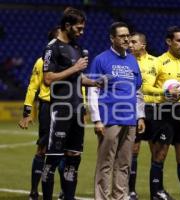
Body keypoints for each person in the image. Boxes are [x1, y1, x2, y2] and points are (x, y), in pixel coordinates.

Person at [41, 7, 98, 200]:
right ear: (67, 25)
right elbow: (48, 78)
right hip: (61, 110)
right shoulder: (52, 47)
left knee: (74, 158)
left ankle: (69, 197)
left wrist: (96, 81)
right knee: (53, 159)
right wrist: (74, 68)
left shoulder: (77, 48)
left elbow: (78, 78)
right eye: (79, 28)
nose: (81, 32)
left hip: (77, 110)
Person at [142, 26, 180, 200]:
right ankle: (156, 195)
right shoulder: (158, 62)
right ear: (169, 41)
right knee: (159, 155)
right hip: (164, 111)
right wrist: (164, 93)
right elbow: (146, 87)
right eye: (179, 40)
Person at [87, 21, 145, 200]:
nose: (126, 39)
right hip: (109, 119)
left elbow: (137, 91)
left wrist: (140, 116)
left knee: (124, 164)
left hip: (130, 120)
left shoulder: (132, 60)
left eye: (128, 35)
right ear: (112, 38)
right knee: (105, 163)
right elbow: (92, 90)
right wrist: (96, 119)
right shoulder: (101, 59)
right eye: (122, 36)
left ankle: (120, 197)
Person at [18, 26, 66, 200]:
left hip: (66, 108)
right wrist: (27, 111)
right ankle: (33, 191)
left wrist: (81, 107)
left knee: (65, 150)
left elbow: (78, 86)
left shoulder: (70, 61)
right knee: (42, 149)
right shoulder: (41, 62)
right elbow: (33, 86)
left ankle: (64, 191)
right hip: (47, 107)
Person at [127, 32, 159, 200]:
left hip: (153, 109)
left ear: (143, 45)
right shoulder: (126, 62)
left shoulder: (156, 62)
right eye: (129, 42)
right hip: (134, 109)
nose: (130, 44)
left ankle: (156, 191)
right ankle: (131, 190)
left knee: (156, 151)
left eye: (133, 42)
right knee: (134, 150)